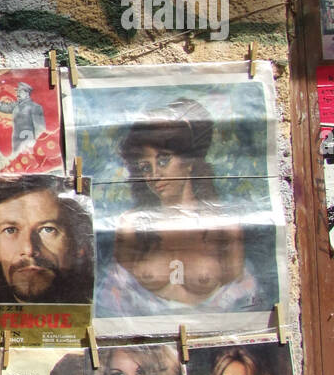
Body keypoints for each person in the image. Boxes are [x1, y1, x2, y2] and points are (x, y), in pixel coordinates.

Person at [102, 98, 260, 314]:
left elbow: (241, 304)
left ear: (189, 162)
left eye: (163, 160)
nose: (154, 175)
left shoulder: (225, 226)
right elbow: (116, 302)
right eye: (145, 167)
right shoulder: (131, 225)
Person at [0, 175, 94, 303]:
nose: (28, 249)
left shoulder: (99, 315)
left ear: (79, 245)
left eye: (48, 229)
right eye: (10, 230)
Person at [0, 81, 46, 155]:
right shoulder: (16, 105)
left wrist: (32, 143)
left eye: (20, 92)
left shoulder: (35, 107)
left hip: (30, 143)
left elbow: (40, 127)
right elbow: (2, 106)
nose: (18, 94)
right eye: (17, 92)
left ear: (26, 94)